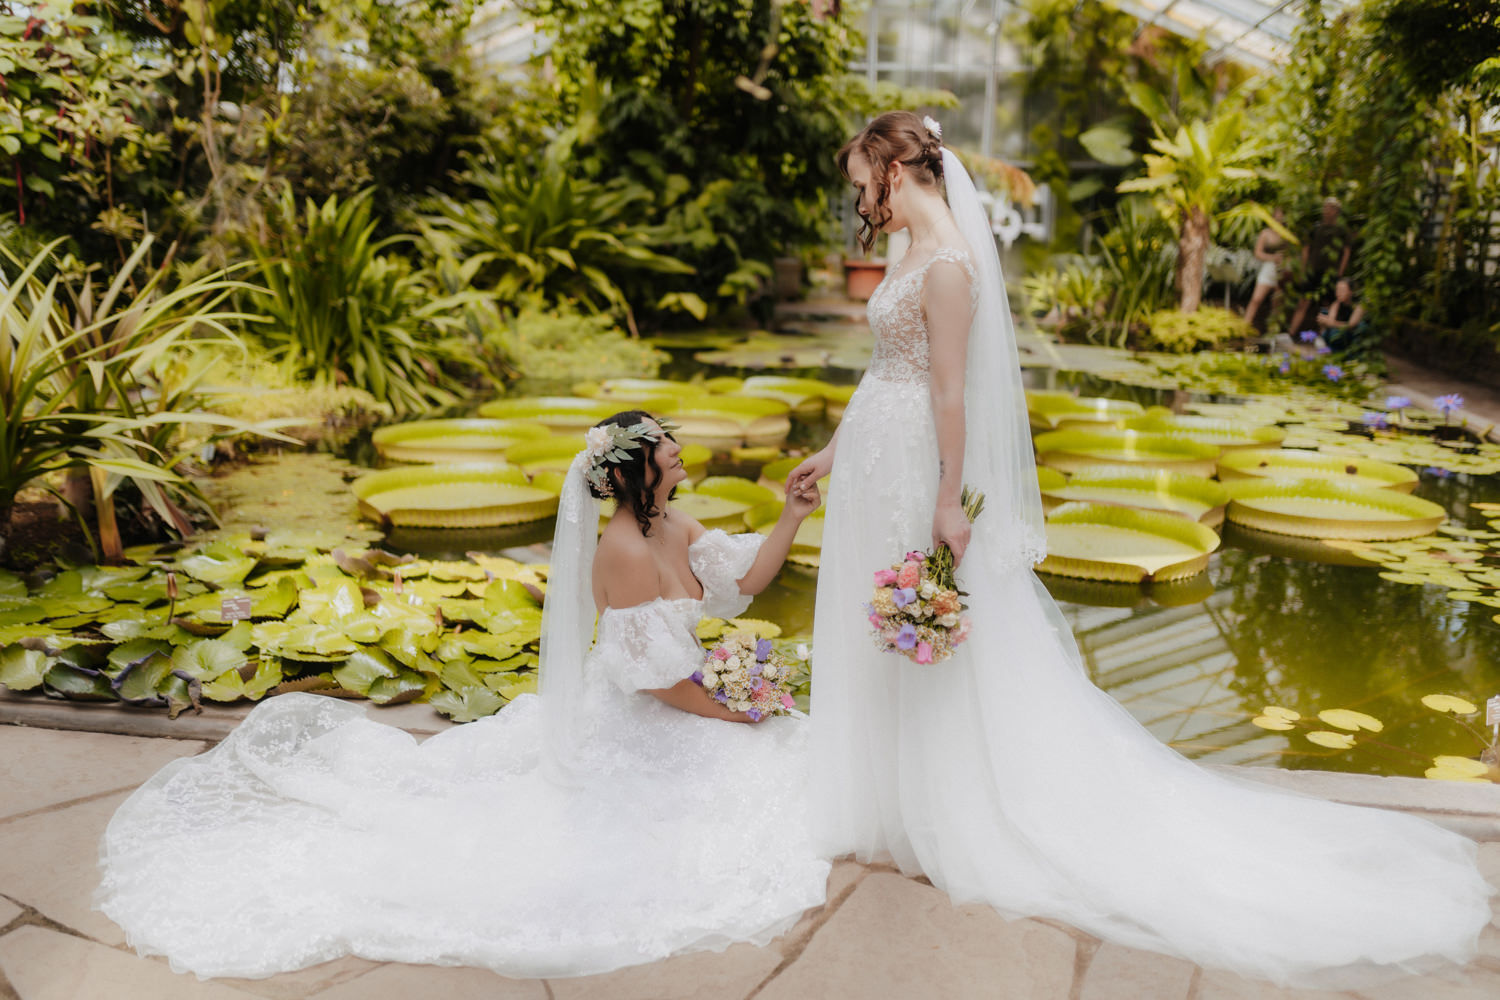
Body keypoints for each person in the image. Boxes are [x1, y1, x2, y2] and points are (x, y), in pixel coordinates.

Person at [786, 111, 1491, 988]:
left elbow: (952, 397)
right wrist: (833, 449)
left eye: (863, 180)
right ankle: (890, 799)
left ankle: (949, 806)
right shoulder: (903, 257)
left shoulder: (953, 269)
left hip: (917, 469)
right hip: (872, 456)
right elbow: (886, 371)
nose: (860, 198)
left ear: (898, 168)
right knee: (882, 627)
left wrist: (947, 503)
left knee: (934, 638)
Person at [97, 411, 830, 980]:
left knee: (773, 758)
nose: (678, 449)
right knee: (742, 780)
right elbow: (662, 679)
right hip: (649, 705)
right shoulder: (627, 551)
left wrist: (792, 513)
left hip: (680, 691)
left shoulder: (673, 523)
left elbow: (744, 579)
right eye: (666, 444)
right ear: (638, 470)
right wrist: (735, 705)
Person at [1288, 196, 1352, 337]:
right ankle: (1291, 333)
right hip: (1313, 271)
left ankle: (1322, 336)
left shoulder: (1341, 231)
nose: (1327, 211)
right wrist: (1304, 268)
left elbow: (1346, 252)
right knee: (1303, 301)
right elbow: (1306, 248)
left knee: (1326, 304)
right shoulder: (1316, 228)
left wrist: (1340, 272)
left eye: (1331, 208)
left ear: (1337, 211)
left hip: (1330, 273)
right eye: (1325, 207)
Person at [1244, 207, 1288, 332]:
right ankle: (1245, 326)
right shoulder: (1266, 233)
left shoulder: (1288, 233)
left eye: (1282, 214)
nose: (1279, 217)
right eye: (1277, 214)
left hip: (1282, 270)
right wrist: (1272, 257)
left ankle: (1273, 331)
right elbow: (1257, 253)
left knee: (1277, 302)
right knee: (1256, 299)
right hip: (1268, 268)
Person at [1317, 277, 1367, 354]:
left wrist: (1332, 323)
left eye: (1342, 290)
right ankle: (1324, 344)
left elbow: (1351, 325)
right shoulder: (1337, 303)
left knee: (1361, 326)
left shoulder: (1359, 305)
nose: (1338, 293)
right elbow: (1330, 320)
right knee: (1324, 313)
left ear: (1351, 292)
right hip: (1339, 329)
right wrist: (1325, 321)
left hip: (1352, 333)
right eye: (1337, 290)